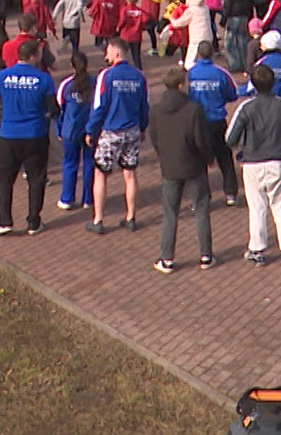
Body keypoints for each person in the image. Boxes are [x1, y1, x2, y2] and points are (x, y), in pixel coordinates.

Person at [226, 63, 281, 266]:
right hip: (280, 161)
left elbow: (230, 138)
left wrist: (242, 151)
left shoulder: (246, 107)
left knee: (257, 207)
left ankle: (257, 249)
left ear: (253, 83)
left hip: (252, 163)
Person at [0, 39, 58, 236]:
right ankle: (33, 222)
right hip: (35, 135)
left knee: (5, 180)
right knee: (36, 179)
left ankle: (4, 221)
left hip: (8, 135)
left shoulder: (1, 77)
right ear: (33, 56)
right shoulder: (44, 79)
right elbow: (54, 109)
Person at [150, 66, 216, 273]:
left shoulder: (155, 110)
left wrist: (164, 157)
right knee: (201, 210)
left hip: (169, 167)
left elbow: (155, 139)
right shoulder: (193, 109)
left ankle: (167, 257)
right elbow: (200, 140)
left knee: (170, 213)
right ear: (181, 85)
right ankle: (205, 255)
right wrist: (208, 158)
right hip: (194, 165)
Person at [84, 41, 149, 234]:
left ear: (116, 53)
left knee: (101, 173)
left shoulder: (106, 75)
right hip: (132, 131)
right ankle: (130, 217)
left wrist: (90, 129)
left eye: (108, 52)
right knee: (130, 174)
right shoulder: (139, 76)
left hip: (111, 131)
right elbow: (144, 106)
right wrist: (143, 127)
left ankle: (98, 219)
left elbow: (99, 106)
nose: (106, 56)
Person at [184, 42, 241, 206]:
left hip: (198, 123)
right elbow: (233, 94)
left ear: (198, 55)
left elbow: (185, 96)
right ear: (212, 55)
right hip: (217, 121)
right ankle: (231, 193)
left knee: (198, 160)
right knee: (224, 157)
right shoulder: (221, 73)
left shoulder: (191, 74)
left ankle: (202, 198)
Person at [53, 52, 95, 210]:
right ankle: (88, 199)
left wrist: (59, 130)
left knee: (70, 163)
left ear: (72, 66)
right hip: (90, 130)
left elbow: (59, 110)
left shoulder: (66, 85)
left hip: (70, 131)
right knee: (89, 163)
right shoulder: (95, 84)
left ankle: (67, 198)